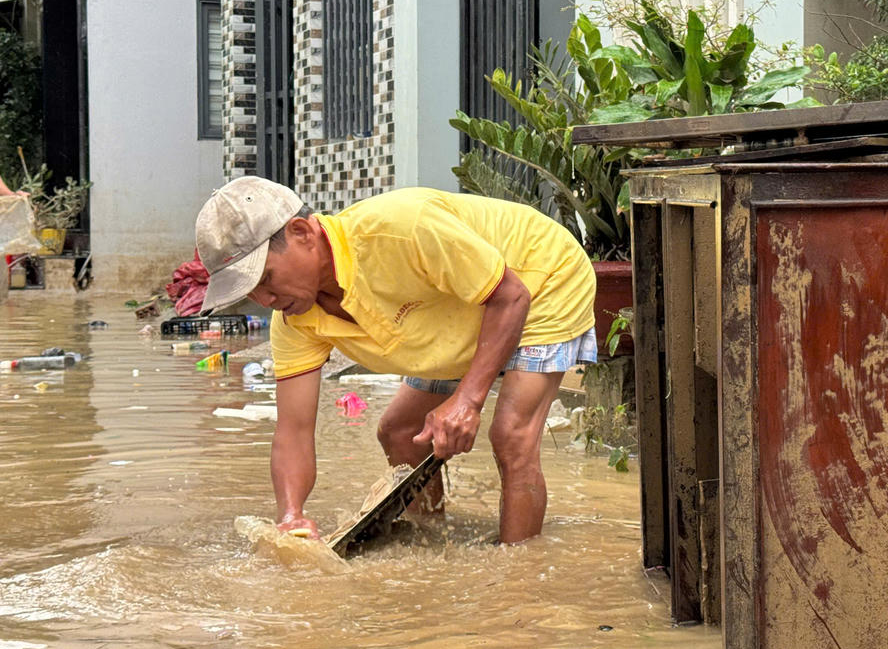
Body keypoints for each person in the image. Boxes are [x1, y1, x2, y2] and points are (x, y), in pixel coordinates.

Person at [194, 176, 597, 544]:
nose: (264, 301)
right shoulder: (296, 319)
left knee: (511, 437)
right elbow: (293, 432)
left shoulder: (401, 228)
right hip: (458, 313)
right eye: (250, 293)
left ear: (302, 233)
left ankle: (518, 579)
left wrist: (467, 401)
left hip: (538, 281)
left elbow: (511, 297)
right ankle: (433, 537)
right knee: (399, 431)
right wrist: (291, 516)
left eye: (264, 278)